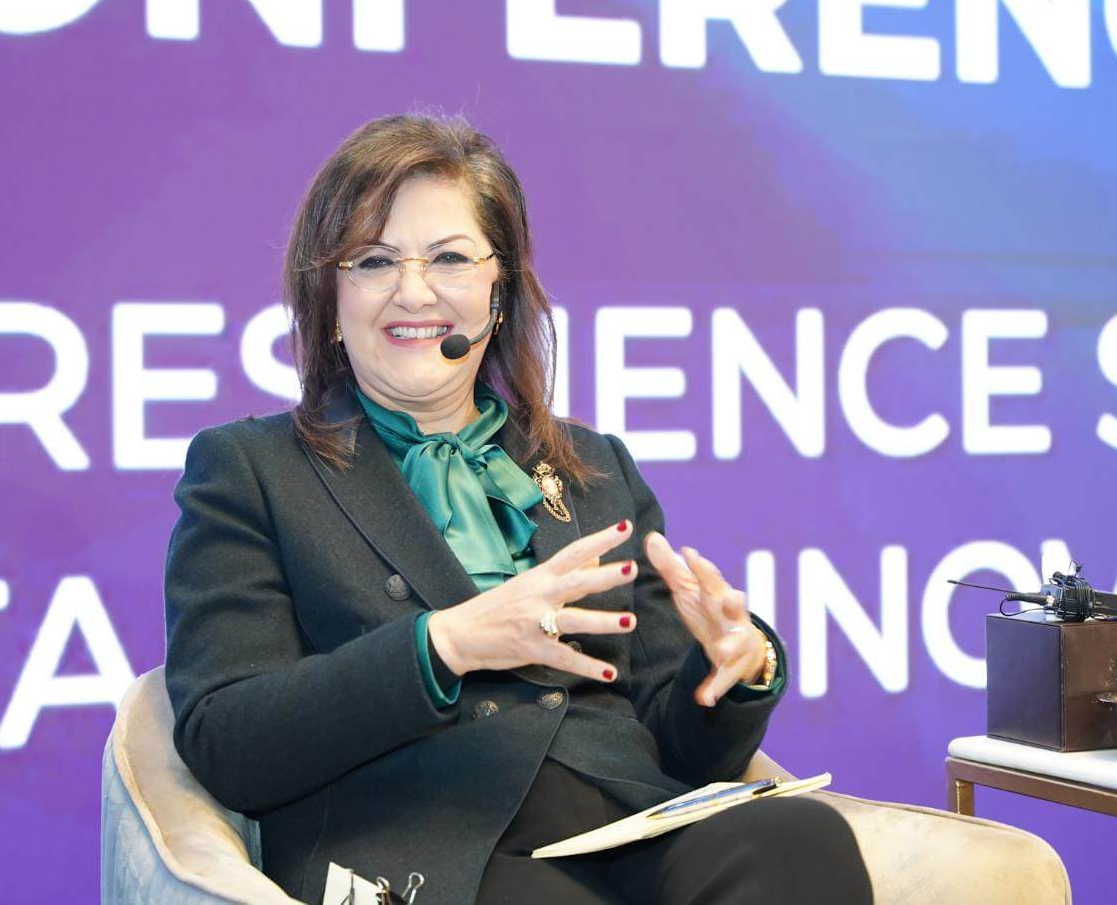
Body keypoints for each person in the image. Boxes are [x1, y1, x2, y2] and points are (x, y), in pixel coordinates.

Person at [163, 111, 873, 905]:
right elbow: (227, 740)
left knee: (802, 838)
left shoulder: (592, 465)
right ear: (328, 296)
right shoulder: (251, 470)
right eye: (374, 260)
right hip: (430, 854)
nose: (414, 291)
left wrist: (728, 671)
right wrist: (443, 645)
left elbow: (683, 751)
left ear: (498, 291)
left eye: (449, 258)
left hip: (626, 831)